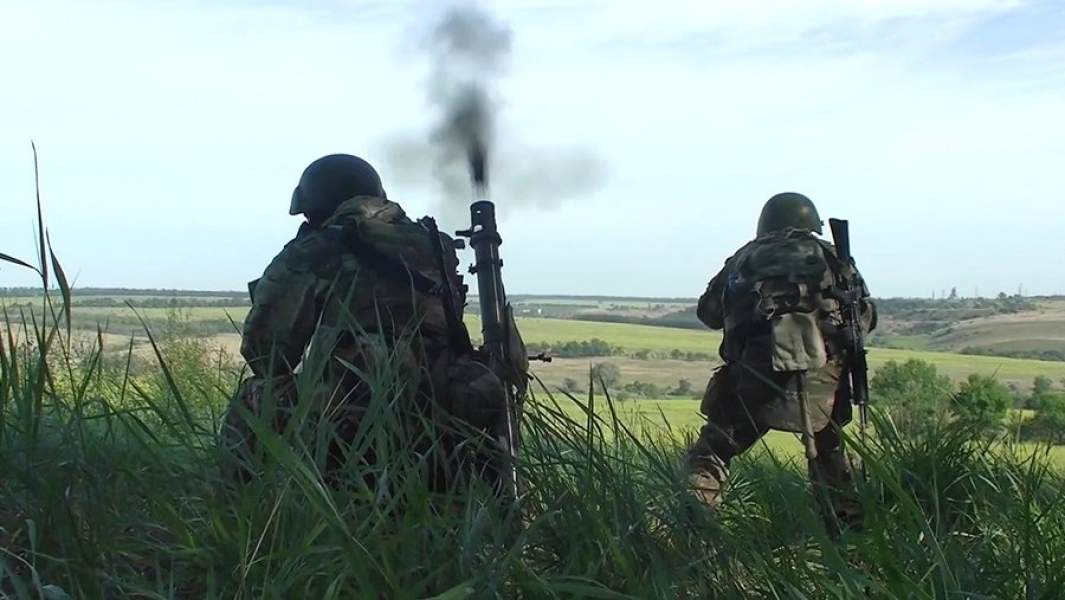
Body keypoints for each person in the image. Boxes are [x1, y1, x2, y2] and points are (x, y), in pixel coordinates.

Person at [221, 153, 510, 495]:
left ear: (313, 209)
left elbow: (265, 356)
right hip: (442, 410)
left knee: (253, 397)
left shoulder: (317, 248)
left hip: (351, 417)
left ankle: (239, 519)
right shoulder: (437, 244)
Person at [684, 192, 877, 528]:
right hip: (824, 385)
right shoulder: (835, 259)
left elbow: (709, 313)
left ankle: (693, 533)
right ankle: (849, 542)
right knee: (830, 460)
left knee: (710, 456)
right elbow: (864, 318)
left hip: (754, 381)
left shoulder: (747, 257)